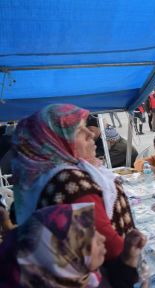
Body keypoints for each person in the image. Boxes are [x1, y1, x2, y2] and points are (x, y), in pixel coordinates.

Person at [10, 104, 147, 287]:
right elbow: (110, 246)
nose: (91, 134)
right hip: (106, 274)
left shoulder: (44, 176)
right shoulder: (69, 181)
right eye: (79, 131)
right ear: (56, 140)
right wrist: (131, 260)